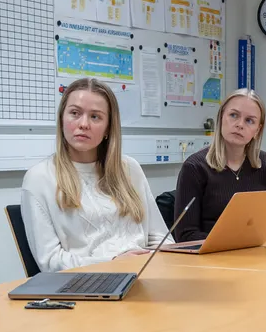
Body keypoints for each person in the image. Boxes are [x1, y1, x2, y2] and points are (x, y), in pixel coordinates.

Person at [21, 78, 166, 271]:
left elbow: (160, 238)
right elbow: (50, 262)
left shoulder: (130, 169)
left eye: (95, 117)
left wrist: (163, 266)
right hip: (87, 284)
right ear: (62, 119)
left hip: (144, 275)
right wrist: (113, 264)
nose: (83, 124)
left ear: (108, 128)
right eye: (75, 113)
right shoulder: (39, 178)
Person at [174, 89, 266, 242]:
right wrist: (232, 244)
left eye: (249, 120)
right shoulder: (195, 167)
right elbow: (186, 235)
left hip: (255, 255)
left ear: (258, 130)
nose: (240, 125)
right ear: (221, 117)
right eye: (233, 115)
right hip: (211, 258)